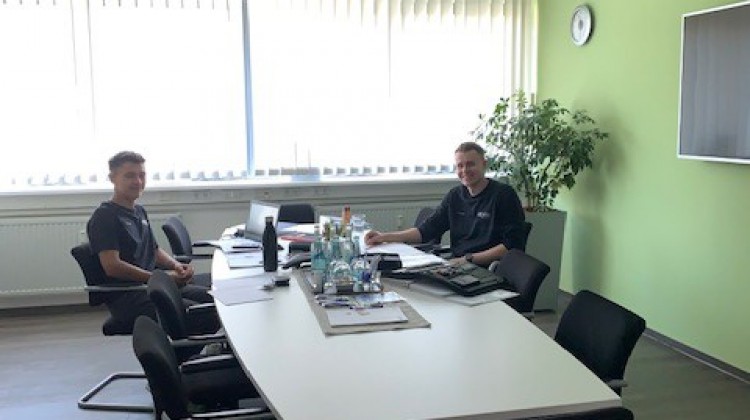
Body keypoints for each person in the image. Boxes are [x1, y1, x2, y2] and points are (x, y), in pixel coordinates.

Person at [87, 151, 215, 331]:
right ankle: (182, 349)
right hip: (132, 296)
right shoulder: (104, 217)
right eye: (130, 176)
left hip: (152, 286)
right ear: (112, 178)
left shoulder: (139, 211)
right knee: (206, 314)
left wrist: (176, 266)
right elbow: (112, 266)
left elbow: (154, 250)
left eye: (142, 175)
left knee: (216, 300)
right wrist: (160, 278)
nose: (138, 181)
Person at [365, 141, 525, 267]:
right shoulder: (455, 196)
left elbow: (511, 246)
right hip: (458, 265)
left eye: (471, 164)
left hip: (487, 268)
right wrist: (383, 237)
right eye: (460, 165)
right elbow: (425, 231)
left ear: (484, 164)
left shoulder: (503, 195)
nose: (465, 170)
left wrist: (468, 259)